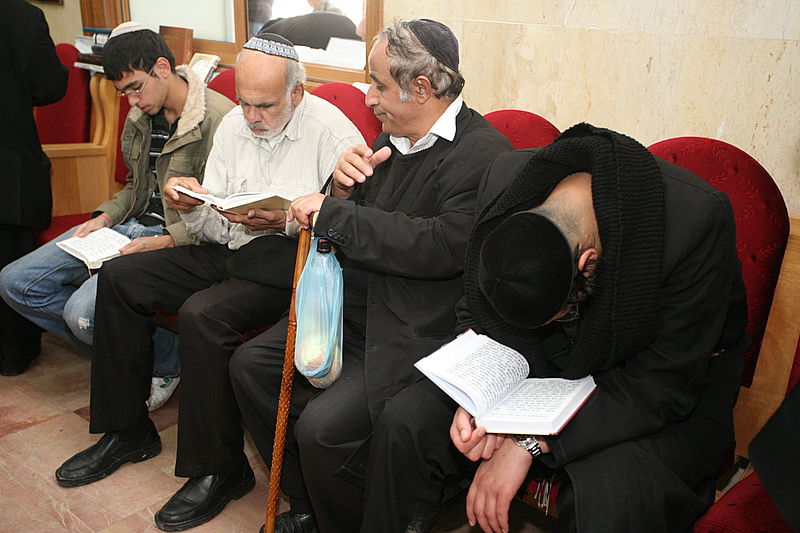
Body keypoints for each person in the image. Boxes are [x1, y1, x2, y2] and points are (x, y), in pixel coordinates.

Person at [54, 32, 364, 532]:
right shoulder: (235, 124)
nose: (252, 116)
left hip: (288, 262)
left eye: (265, 105)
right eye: (244, 101)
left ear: (297, 93)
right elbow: (214, 225)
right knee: (122, 277)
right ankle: (127, 430)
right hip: (231, 247)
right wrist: (192, 204)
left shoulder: (332, 132)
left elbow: (352, 228)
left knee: (204, 314)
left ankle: (220, 470)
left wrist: (286, 220)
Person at [372, 123, 748, 533]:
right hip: (536, 369)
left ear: (587, 264)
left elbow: (663, 384)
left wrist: (529, 441)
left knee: (611, 492)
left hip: (647, 391)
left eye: (559, 315)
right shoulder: (504, 183)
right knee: (407, 420)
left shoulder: (695, 220)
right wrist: (479, 395)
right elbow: (477, 313)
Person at [229, 19, 513, 533]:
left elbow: (439, 245)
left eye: (378, 84)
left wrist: (337, 212)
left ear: (420, 88)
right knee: (251, 366)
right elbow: (346, 218)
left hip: (409, 327)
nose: (369, 97)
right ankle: (307, 500)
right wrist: (339, 188)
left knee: (321, 429)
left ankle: (346, 519)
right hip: (351, 308)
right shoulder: (391, 136)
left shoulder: (485, 156)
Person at [0, 23, 235, 409]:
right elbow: (134, 187)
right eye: (123, 93)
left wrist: (164, 241)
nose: (132, 101)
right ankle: (158, 350)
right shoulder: (141, 116)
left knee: (82, 316)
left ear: (162, 68)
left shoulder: (221, 120)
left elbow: (223, 214)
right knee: (15, 283)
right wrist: (104, 218)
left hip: (177, 240)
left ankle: (161, 362)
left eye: (135, 88)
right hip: (128, 226)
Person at [0, 0, 68, 376]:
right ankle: (13, 355)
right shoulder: (22, 15)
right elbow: (50, 85)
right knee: (10, 254)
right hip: (9, 166)